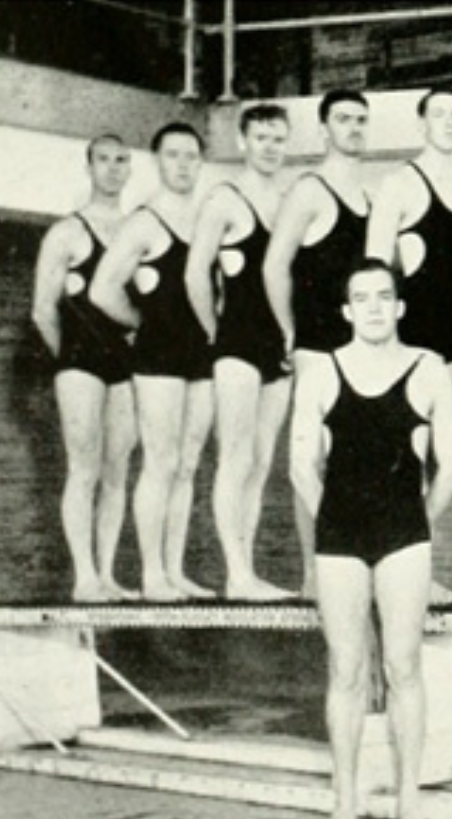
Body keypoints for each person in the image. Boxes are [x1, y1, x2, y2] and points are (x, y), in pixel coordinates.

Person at [291, 259, 452, 819]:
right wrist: (337, 519)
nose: (371, 306)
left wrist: (416, 518)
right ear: (346, 310)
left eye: (382, 296)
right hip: (340, 537)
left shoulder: (429, 368)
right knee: (345, 669)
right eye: (360, 297)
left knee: (402, 665)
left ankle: (410, 802)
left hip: (404, 537)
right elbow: (299, 465)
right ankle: (344, 802)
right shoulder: (320, 372)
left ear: (399, 307)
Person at [366, 85, 452, 606]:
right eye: (440, 114)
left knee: (446, 465)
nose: (450, 122)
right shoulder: (398, 184)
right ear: (422, 124)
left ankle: (403, 556)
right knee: (406, 461)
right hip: (416, 342)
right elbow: (371, 271)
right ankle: (403, 570)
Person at [90, 122, 214, 602]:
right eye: (173, 156)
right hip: (159, 353)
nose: (183, 164)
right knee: (160, 461)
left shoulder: (206, 218)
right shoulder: (143, 222)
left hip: (201, 352)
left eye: (191, 156)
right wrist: (139, 323)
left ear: (200, 163)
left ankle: (176, 570)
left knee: (187, 463)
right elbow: (102, 290)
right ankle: (151, 574)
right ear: (158, 162)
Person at [265, 89, 372, 599]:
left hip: (358, 350)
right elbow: (273, 265)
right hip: (315, 346)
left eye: (360, 121)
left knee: (353, 460)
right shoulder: (309, 190)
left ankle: (350, 567)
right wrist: (289, 330)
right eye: (344, 119)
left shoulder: (368, 198)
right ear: (324, 129)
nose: (353, 128)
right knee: (310, 461)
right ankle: (313, 574)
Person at [185, 103, 295, 601]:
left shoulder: (293, 201)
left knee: (261, 458)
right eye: (263, 138)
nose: (271, 147)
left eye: (279, 138)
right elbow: (194, 274)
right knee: (235, 454)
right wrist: (215, 334)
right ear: (244, 142)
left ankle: (245, 568)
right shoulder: (224, 200)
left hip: (279, 344)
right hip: (236, 343)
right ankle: (236, 573)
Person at [31, 133, 139, 602]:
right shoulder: (67, 232)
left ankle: (108, 575)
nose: (113, 169)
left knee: (118, 469)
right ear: (89, 167)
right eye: (104, 160)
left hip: (127, 363)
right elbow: (42, 309)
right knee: (84, 466)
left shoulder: (139, 228)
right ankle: (84, 577)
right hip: (80, 360)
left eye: (121, 161)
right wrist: (68, 363)